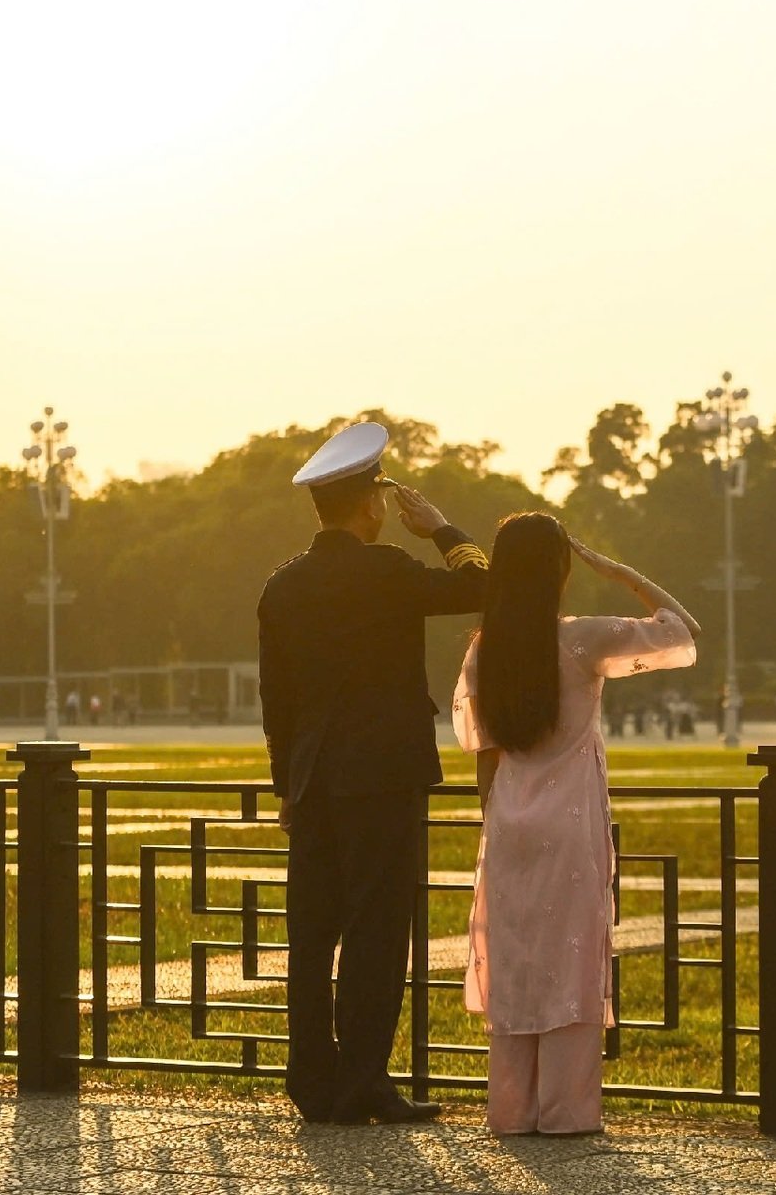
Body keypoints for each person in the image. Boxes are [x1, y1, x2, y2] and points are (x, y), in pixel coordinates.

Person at [258, 421, 489, 1126]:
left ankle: (312, 1082)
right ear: (371, 503)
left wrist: (287, 786)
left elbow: (276, 702)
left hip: (313, 783)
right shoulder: (388, 571)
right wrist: (443, 530)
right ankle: (362, 1081)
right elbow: (485, 587)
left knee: (310, 935)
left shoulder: (282, 586)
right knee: (376, 933)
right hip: (384, 777)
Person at [455, 516, 698, 1136]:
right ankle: (566, 1111)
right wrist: (621, 574)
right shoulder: (583, 640)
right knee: (571, 959)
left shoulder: (485, 649)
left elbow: (483, 754)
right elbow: (682, 632)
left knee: (515, 963)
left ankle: (513, 1110)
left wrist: (492, 821)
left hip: (509, 818)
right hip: (570, 821)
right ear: (559, 572)